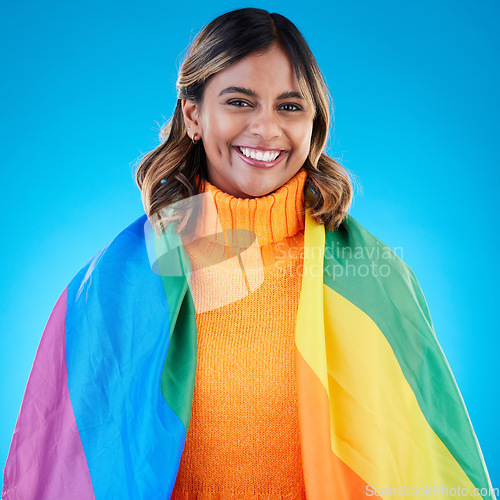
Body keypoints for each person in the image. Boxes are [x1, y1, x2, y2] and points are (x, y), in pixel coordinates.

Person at [2, 8, 495, 500]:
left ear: (313, 123)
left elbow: (423, 456)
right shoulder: (118, 285)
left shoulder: (376, 280)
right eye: (240, 101)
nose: (265, 128)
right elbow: (67, 466)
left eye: (289, 107)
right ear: (193, 115)